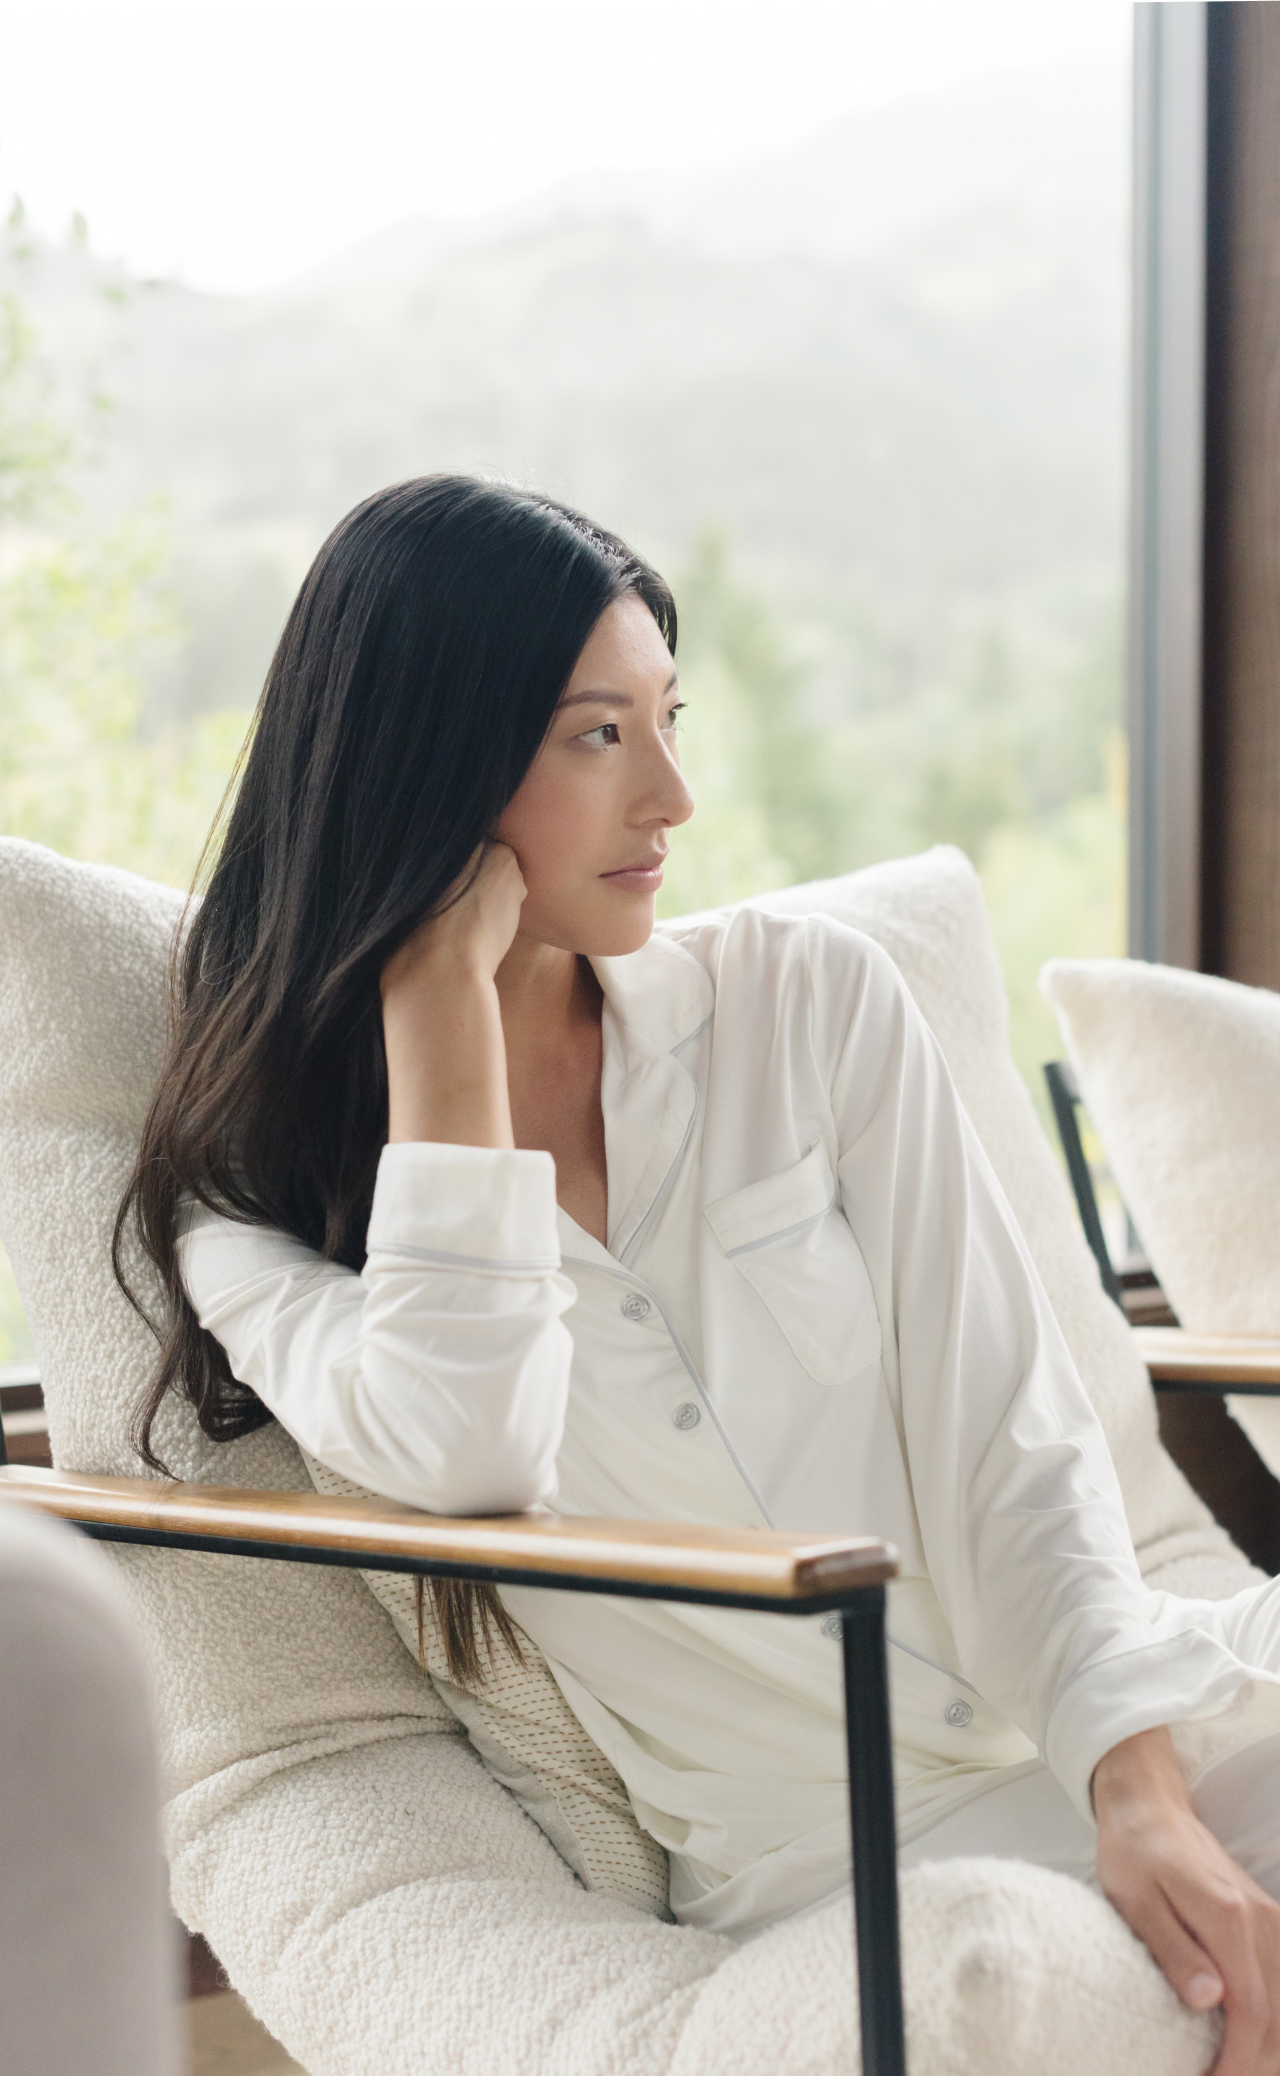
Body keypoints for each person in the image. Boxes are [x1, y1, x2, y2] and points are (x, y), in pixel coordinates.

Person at [120, 476, 1280, 2074]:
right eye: (600, 736)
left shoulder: (809, 1005)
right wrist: (441, 1011)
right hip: (849, 1866)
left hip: (1141, 1726)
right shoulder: (249, 1218)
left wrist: (1141, 1793)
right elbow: (470, 1444)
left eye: (671, 718)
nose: (670, 796)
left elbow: (1008, 1444)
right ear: (429, 765)